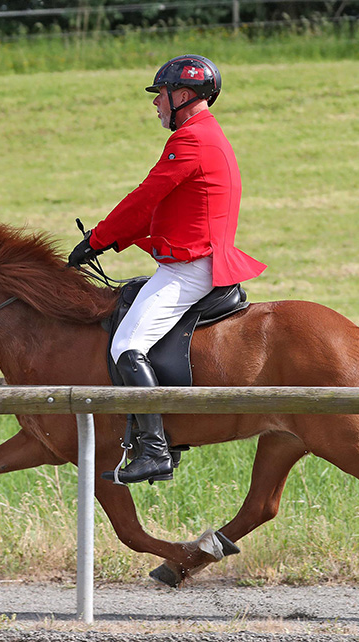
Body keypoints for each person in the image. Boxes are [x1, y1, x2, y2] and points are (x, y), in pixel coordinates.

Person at [69, 54, 266, 484]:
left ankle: (156, 450)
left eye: (160, 94)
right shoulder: (205, 135)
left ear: (181, 95)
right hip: (188, 262)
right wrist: (105, 241)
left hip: (190, 269)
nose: (156, 103)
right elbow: (156, 206)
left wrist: (98, 239)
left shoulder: (192, 141)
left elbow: (145, 197)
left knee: (126, 345)